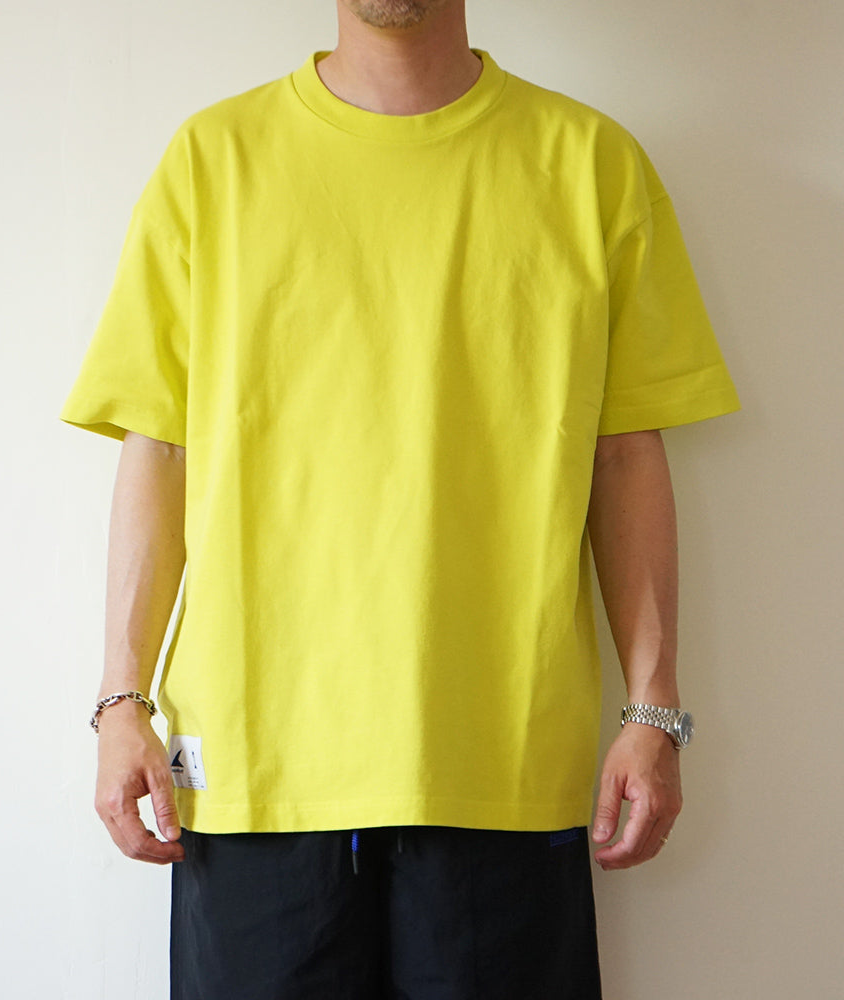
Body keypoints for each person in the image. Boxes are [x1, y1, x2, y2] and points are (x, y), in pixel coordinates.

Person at [62, 1, 740, 996]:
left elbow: (625, 457)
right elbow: (158, 447)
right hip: (253, 771)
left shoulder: (591, 163)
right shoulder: (213, 161)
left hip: (500, 764)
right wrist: (122, 699)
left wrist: (654, 707)